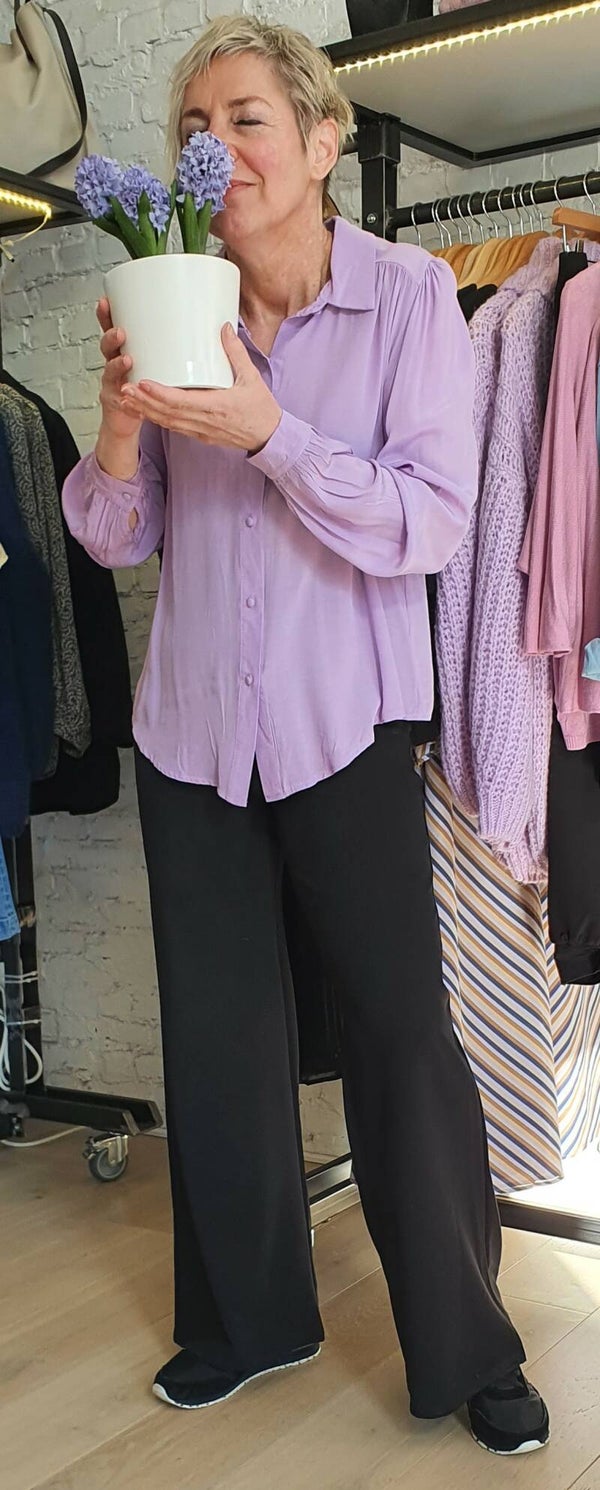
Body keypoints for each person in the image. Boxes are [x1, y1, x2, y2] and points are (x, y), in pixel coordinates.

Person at [63, 14, 550, 1456]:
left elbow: (431, 522)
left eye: (248, 118)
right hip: (193, 735)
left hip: (345, 728)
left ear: (325, 140)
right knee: (217, 1044)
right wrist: (118, 430)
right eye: (194, 126)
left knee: (403, 1037)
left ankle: (469, 1344)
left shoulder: (408, 298)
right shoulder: (171, 290)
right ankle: (246, 1323)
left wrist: (268, 432)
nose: (216, 147)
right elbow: (115, 534)